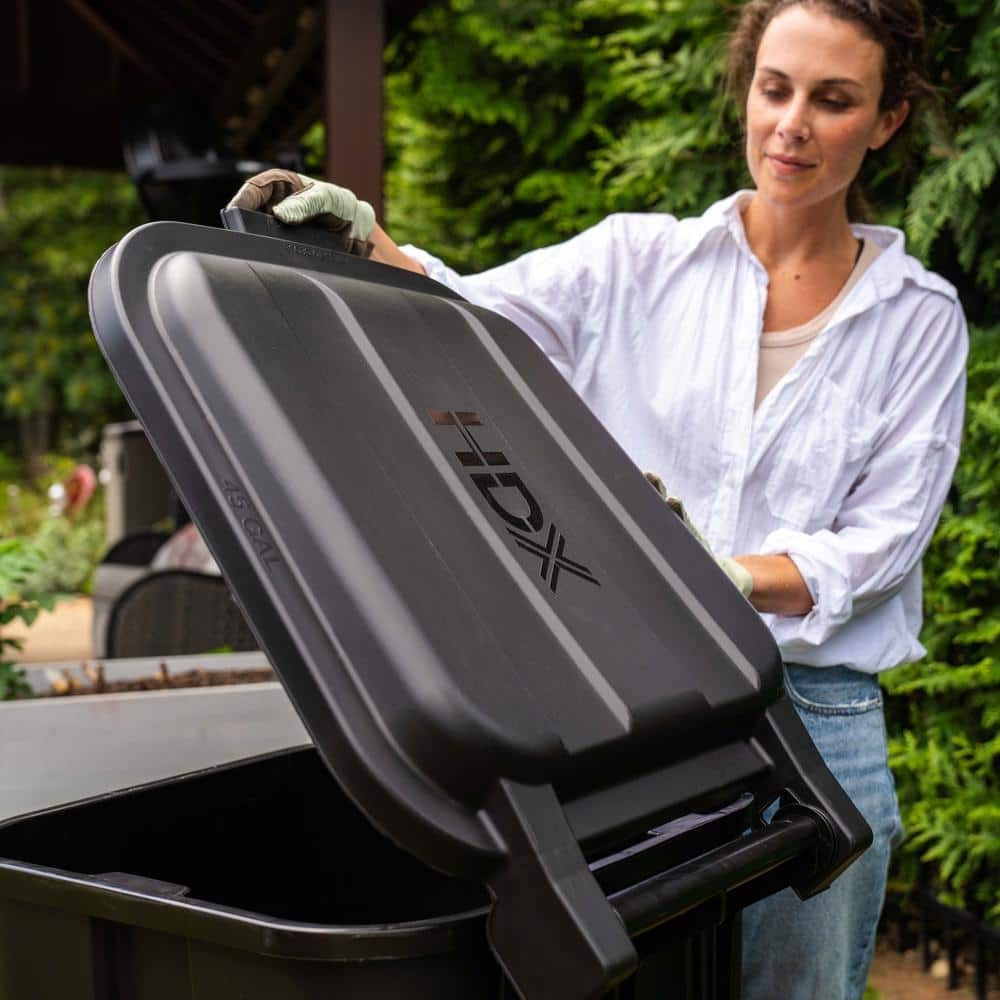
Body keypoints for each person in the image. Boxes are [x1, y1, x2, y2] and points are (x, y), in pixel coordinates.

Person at [228, 1, 967, 995]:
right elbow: (470, 318)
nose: (792, 124)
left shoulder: (917, 319)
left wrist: (725, 576)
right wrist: (364, 238)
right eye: (775, 89)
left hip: (816, 717)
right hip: (635, 697)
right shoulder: (635, 262)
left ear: (885, 120)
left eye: (833, 100)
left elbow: (884, 542)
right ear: (747, 91)